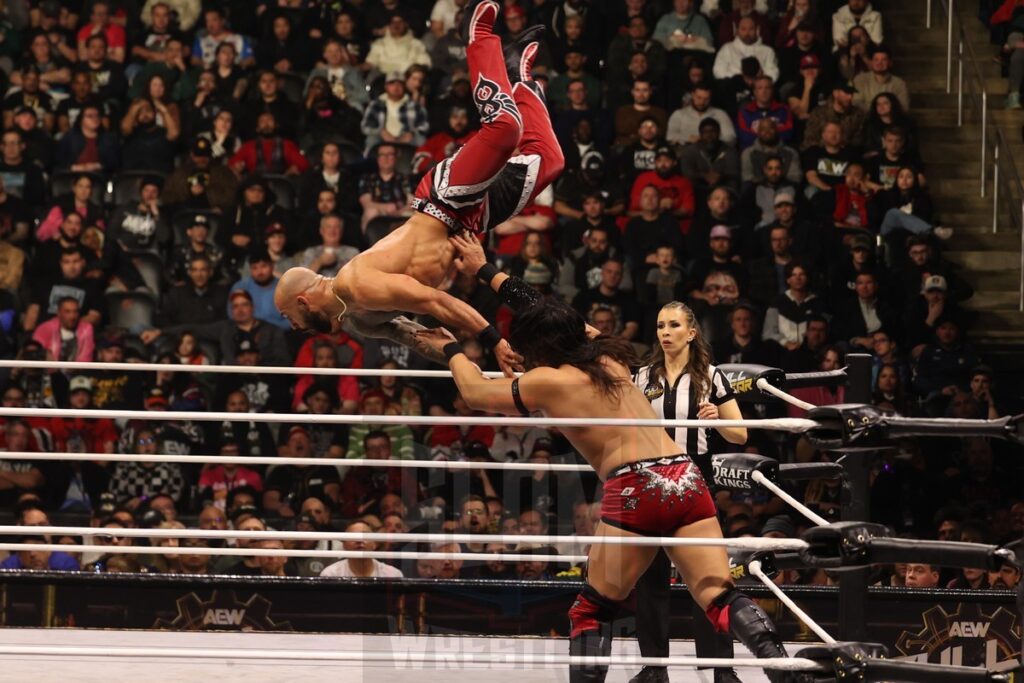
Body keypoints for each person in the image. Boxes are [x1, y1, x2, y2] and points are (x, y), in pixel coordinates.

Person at [416, 235, 788, 683]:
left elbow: (475, 393)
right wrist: (488, 272)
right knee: (718, 595)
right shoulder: (610, 355)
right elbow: (555, 314)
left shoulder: (548, 379)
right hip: (685, 476)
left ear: (539, 348)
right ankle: (789, 672)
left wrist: (449, 349)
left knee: (592, 608)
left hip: (636, 486)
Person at [275, 4, 563, 377]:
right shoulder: (358, 322)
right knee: (550, 159)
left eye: (290, 317)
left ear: (302, 300)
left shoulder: (354, 282)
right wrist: (461, 360)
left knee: (505, 129)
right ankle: (519, 79)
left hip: (441, 202)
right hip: (468, 224)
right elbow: (420, 336)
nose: (293, 326)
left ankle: (479, 39)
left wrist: (494, 340)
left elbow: (433, 300)